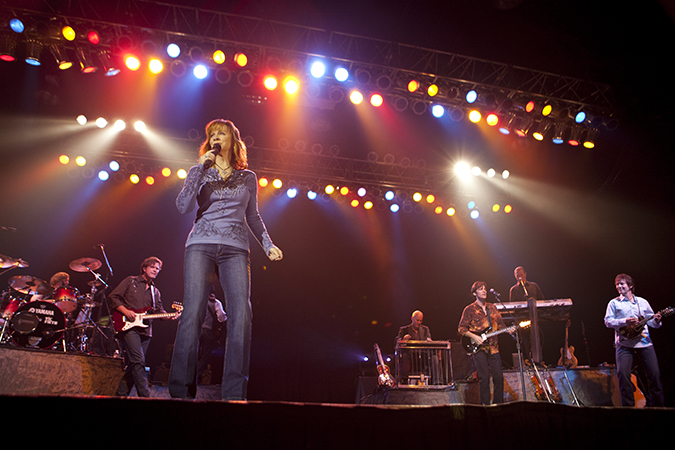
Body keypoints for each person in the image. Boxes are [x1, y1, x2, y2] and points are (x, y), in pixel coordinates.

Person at [169, 119, 283, 401]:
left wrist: (268, 244)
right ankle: (180, 392)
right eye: (212, 134)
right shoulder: (199, 171)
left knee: (241, 315)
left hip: (235, 248)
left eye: (222, 133)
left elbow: (253, 216)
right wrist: (198, 170)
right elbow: (183, 206)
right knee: (192, 314)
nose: (216, 137)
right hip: (200, 245)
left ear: (234, 140)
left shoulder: (248, 178)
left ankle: (234, 394)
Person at [108, 256, 166, 397]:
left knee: (135, 364)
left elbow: (159, 311)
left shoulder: (155, 291)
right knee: (138, 361)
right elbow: (113, 297)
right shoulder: (130, 281)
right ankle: (144, 396)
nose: (155, 270)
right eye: (153, 267)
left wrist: (169, 315)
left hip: (146, 330)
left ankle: (119, 395)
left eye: (158, 269)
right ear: (144, 268)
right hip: (128, 327)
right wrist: (126, 311)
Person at [604, 273, 664, 407]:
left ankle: (659, 408)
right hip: (624, 344)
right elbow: (608, 321)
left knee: (654, 374)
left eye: (622, 284)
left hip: (644, 343)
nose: (619, 286)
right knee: (623, 376)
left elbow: (652, 323)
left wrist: (657, 321)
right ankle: (629, 409)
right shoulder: (614, 303)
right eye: (617, 284)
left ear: (630, 286)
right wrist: (625, 321)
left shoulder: (642, 302)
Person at [458, 281, 507, 405]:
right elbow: (461, 328)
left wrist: (509, 330)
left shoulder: (493, 308)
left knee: (499, 377)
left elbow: (501, 325)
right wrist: (474, 337)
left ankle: (498, 405)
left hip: (493, 347)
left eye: (485, 288)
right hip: (479, 348)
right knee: (484, 377)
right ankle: (485, 406)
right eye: (481, 289)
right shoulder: (469, 309)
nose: (484, 290)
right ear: (475, 293)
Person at [509, 266, 545, 363]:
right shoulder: (514, 290)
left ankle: (539, 358)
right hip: (522, 318)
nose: (520, 277)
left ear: (525, 274)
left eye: (521, 275)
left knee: (538, 336)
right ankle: (527, 359)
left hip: (535, 316)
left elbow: (542, 300)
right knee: (524, 338)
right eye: (518, 276)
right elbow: (512, 306)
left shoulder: (533, 286)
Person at [197, 286, 227, 384]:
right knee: (205, 356)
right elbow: (221, 318)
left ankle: (188, 376)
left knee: (194, 354)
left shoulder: (198, 300)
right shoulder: (216, 303)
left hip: (196, 330)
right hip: (208, 331)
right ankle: (196, 376)